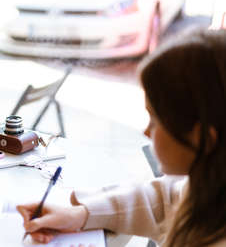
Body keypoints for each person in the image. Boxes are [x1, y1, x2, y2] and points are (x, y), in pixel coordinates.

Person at [17, 29, 226, 247]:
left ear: (203, 138)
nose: (146, 132)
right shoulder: (206, 189)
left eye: (155, 120)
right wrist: (81, 214)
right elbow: (165, 200)